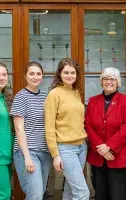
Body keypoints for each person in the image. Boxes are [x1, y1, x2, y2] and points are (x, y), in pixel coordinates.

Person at [85, 67, 126, 200]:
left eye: (112, 79)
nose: (109, 82)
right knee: (100, 195)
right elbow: (88, 125)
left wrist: (109, 147)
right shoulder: (92, 101)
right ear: (101, 82)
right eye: (105, 79)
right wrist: (101, 148)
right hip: (98, 156)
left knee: (118, 195)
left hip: (119, 157)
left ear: (118, 82)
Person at [44, 57, 89, 200]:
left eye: (72, 73)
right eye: (66, 72)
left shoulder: (76, 92)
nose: (70, 76)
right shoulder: (54, 94)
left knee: (70, 191)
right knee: (82, 192)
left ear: (77, 75)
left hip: (82, 147)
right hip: (65, 149)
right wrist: (55, 155)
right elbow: (49, 126)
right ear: (60, 74)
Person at [10, 61, 51, 200]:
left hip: (45, 152)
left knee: (39, 193)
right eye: (31, 73)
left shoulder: (46, 96)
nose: (35, 77)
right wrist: (26, 156)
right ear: (25, 76)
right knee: (35, 195)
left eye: (38, 74)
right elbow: (19, 128)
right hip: (27, 152)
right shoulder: (20, 96)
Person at [0, 63, 13, 200]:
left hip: (7, 155)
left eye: (4, 74)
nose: (1, 78)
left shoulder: (6, 99)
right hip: (0, 157)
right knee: (4, 195)